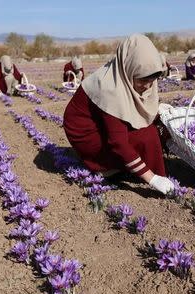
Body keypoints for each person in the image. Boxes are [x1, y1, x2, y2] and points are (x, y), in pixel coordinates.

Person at [63, 34, 175, 195]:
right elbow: (118, 143)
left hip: (101, 122)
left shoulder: (128, 74)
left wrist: (158, 110)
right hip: (87, 133)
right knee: (146, 136)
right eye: (142, 81)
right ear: (129, 69)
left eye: (152, 80)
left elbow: (135, 109)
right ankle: (106, 167)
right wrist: (152, 179)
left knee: (155, 125)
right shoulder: (111, 89)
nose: (148, 86)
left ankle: (136, 165)